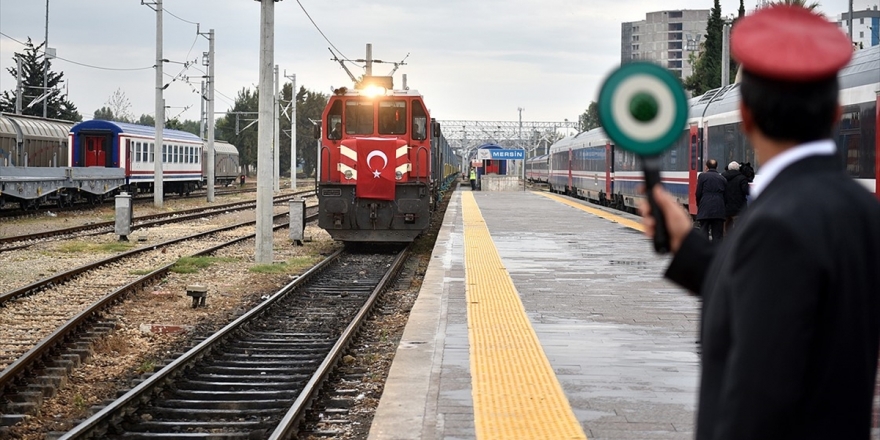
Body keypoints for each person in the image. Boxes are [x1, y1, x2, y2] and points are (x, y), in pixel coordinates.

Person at [639, 6, 880, 439]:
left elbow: (758, 400)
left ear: (747, 117)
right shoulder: (861, 211)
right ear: (833, 113)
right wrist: (686, 248)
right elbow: (788, 298)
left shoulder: (778, 223)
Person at [695, 159, 726, 243]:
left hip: (705, 206)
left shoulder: (702, 176)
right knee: (717, 234)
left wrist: (699, 204)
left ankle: (704, 252)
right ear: (717, 167)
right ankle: (717, 253)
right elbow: (725, 195)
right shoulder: (722, 178)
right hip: (719, 208)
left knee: (704, 231)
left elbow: (698, 193)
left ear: (706, 167)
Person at [721, 160, 749, 231]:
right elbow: (746, 191)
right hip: (739, 209)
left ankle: (726, 242)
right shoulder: (742, 178)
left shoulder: (722, 177)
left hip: (725, 208)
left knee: (726, 230)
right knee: (739, 230)